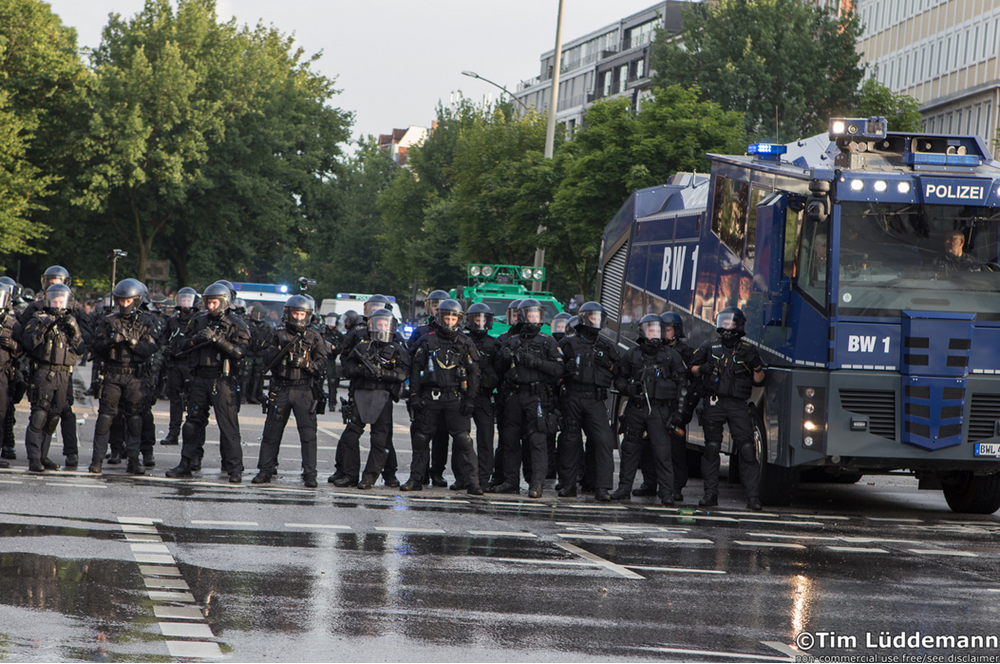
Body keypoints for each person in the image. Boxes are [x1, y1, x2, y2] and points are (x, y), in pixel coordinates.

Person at [165, 283, 250, 483]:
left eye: (214, 302)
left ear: (224, 302)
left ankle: (235, 468)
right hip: (199, 378)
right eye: (208, 302)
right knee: (192, 423)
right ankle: (186, 463)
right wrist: (197, 339)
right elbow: (182, 346)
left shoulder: (237, 323)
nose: (210, 306)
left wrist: (218, 341)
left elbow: (241, 352)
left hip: (223, 379)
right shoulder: (198, 320)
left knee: (228, 426)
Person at [401, 299, 482, 494]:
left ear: (459, 319)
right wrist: (414, 395)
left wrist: (471, 399)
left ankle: (473, 482)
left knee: (463, 440)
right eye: (446, 317)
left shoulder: (465, 342)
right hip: (431, 397)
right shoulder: (426, 340)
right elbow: (415, 369)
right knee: (420, 438)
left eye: (453, 318)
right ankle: (416, 479)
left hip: (455, 397)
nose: (449, 321)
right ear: (439, 317)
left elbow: (474, 373)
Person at [690, 307, 766, 510]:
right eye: (724, 322)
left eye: (731, 323)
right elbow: (693, 369)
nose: (727, 327)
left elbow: (759, 381)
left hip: (737, 404)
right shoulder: (709, 346)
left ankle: (752, 497)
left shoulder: (748, 350)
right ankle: (710, 494)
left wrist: (757, 366)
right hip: (714, 402)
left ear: (738, 325)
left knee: (748, 449)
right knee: (712, 448)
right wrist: (703, 369)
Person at [252, 295, 327, 487]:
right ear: (288, 313)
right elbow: (264, 358)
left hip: (304, 389)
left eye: (302, 314)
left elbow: (322, 365)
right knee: (271, 432)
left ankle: (310, 473)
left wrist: (305, 363)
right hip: (281, 387)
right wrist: (280, 352)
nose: (299, 317)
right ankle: (265, 470)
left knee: (308, 434)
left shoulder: (314, 336)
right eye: (296, 313)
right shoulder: (276, 333)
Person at [86, 279, 159, 475]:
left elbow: (151, 347)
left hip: (135, 376)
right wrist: (112, 340)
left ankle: (134, 461)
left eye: (128, 301)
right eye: (121, 301)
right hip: (112, 374)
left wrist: (133, 343)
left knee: (135, 419)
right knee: (105, 418)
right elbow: (94, 346)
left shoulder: (146, 322)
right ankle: (97, 460)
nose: (124, 304)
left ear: (136, 301)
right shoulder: (108, 321)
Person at [613, 314, 687, 506]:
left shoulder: (671, 356)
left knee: (662, 452)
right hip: (637, 408)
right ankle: (624, 488)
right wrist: (626, 389)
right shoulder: (633, 354)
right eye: (651, 330)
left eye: (658, 330)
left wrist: (678, 412)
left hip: (659, 410)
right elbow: (619, 378)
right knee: (629, 449)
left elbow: (683, 386)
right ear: (643, 332)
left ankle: (666, 493)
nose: (655, 334)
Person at [492, 299, 563, 498]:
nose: (534, 319)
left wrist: (536, 362)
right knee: (510, 440)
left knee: (538, 440)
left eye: (537, 315)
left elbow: (559, 369)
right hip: (513, 395)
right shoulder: (508, 339)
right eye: (530, 315)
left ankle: (536, 484)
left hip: (536, 396)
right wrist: (502, 357)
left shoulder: (548, 341)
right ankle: (510, 482)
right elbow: (496, 372)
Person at [331, 308, 409, 489]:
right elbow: (346, 368)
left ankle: (369, 477)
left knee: (379, 441)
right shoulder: (362, 347)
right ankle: (350, 474)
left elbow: (403, 373)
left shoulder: (396, 349)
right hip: (361, 395)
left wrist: (383, 373)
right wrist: (362, 371)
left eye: (384, 324)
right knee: (350, 436)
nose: (381, 327)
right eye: (378, 324)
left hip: (383, 396)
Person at [557, 302, 619, 501]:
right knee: (570, 440)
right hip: (573, 397)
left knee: (603, 441)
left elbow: (621, 371)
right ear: (583, 318)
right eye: (592, 317)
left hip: (595, 399)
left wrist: (607, 364)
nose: (596, 321)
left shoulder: (606, 345)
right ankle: (568, 484)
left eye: (599, 317)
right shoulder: (567, 344)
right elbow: (554, 370)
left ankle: (602, 487)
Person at [20, 284, 85, 473]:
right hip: (44, 372)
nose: (58, 304)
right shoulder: (38, 318)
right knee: (39, 414)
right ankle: (34, 458)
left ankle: (43, 454)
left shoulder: (70, 321)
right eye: (55, 300)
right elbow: (28, 343)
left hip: (64, 373)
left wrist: (75, 331)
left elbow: (81, 349)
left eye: (61, 300)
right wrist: (45, 325)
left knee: (54, 416)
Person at [464, 302, 499, 490]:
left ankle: (484, 478)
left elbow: (500, 372)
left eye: (483, 319)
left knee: (486, 438)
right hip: (463, 394)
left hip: (484, 396)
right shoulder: (462, 340)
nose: (480, 323)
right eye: (476, 319)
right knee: (462, 438)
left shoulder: (494, 344)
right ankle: (463, 477)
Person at [160, 287, 199, 446]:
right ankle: (173, 433)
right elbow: (162, 339)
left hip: (190, 364)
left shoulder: (198, 320)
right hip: (175, 364)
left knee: (192, 401)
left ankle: (191, 435)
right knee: (175, 400)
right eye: (183, 299)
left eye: (188, 300)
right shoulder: (172, 321)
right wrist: (165, 349)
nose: (185, 303)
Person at [0, 285, 18, 470]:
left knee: (1, 412)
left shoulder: (12, 323)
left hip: (2, 372)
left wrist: (11, 345)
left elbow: (24, 349)